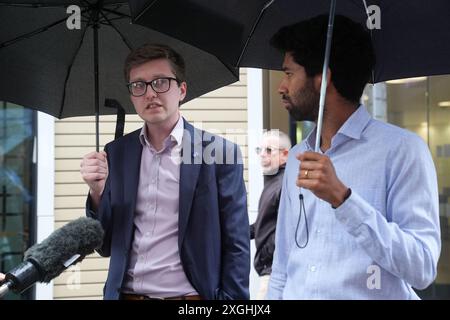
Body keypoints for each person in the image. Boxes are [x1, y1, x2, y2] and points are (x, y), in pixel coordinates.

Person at [266, 15, 441, 299]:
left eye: (289, 73)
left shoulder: (402, 151)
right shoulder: (300, 156)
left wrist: (343, 199)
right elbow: (284, 264)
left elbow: (421, 267)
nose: (281, 87)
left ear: (323, 79)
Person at [80, 43, 250, 300]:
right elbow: (104, 245)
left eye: (160, 82)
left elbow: (236, 243)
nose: (150, 93)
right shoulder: (116, 153)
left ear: (182, 90)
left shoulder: (218, 152)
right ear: (132, 96)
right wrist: (97, 192)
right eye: (139, 85)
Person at [250, 130, 290, 299]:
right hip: (269, 270)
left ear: (285, 155)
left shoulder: (284, 186)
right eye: (259, 150)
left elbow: (288, 228)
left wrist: (268, 252)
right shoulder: (272, 183)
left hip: (276, 272)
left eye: (269, 150)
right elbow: (263, 224)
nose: (262, 155)